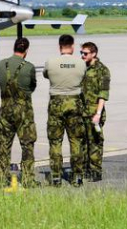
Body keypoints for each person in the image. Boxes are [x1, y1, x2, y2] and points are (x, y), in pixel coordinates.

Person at [43, 34, 87, 187]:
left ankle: (56, 176)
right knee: (76, 141)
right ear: (72, 46)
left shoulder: (51, 62)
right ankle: (77, 176)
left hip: (56, 102)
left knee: (55, 141)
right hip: (74, 102)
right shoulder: (81, 63)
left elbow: (46, 74)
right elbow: (83, 77)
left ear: (59, 46)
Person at [0, 37, 37, 187]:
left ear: (14, 48)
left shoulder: (2, 64)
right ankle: (27, 179)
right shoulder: (29, 67)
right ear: (26, 51)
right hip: (24, 111)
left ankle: (0, 178)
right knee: (27, 145)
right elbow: (32, 86)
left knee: (3, 144)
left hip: (5, 109)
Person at [80, 42, 111, 182]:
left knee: (95, 143)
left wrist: (98, 114)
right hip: (82, 111)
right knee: (84, 143)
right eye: (81, 53)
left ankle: (95, 171)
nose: (82, 55)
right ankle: (86, 170)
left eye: (85, 53)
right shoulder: (82, 68)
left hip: (94, 112)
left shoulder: (102, 70)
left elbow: (103, 94)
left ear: (94, 54)